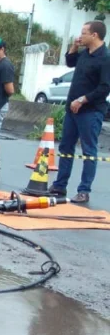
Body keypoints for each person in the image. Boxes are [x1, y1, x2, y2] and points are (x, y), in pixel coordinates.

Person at [51, 21, 110, 204]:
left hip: (90, 111)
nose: (80, 35)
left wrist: (83, 99)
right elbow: (70, 62)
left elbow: (105, 87)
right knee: (65, 147)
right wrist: (74, 47)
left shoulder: (105, 58)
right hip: (72, 109)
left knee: (88, 150)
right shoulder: (85, 54)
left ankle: (84, 190)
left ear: (95, 35)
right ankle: (60, 185)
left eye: (84, 33)